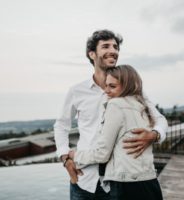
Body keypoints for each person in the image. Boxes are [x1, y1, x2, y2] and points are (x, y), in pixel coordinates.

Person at [54, 29, 168, 200]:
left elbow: (159, 119)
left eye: (115, 47)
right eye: (106, 46)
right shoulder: (76, 91)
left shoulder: (133, 90)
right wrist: (65, 158)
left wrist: (154, 134)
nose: (113, 50)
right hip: (83, 179)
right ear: (92, 54)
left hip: (118, 184)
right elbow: (61, 125)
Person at [69, 65, 163, 200]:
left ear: (127, 86)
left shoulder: (115, 105)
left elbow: (102, 154)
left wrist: (75, 155)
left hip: (126, 185)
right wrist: (156, 134)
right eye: (106, 86)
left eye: (112, 86)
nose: (106, 91)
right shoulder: (142, 105)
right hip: (150, 181)